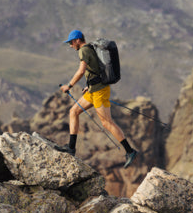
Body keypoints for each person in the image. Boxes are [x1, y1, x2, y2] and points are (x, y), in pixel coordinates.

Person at [58, 29, 139, 168]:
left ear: (78, 40)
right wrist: (88, 85)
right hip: (93, 89)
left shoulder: (83, 51)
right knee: (74, 111)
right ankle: (71, 148)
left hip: (100, 92)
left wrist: (69, 86)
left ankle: (130, 151)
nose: (70, 45)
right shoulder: (90, 48)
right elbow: (95, 69)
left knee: (107, 123)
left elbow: (81, 71)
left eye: (71, 42)